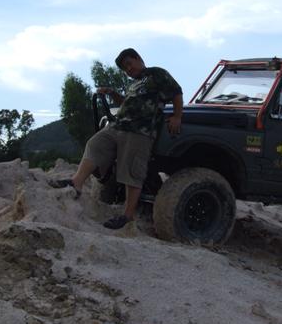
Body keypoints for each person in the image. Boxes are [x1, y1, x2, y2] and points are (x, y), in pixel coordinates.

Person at [51, 48, 183, 230]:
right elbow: (126, 104)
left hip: (140, 130)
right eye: (125, 68)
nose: (128, 69)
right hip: (118, 126)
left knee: (131, 170)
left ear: (138, 58)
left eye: (129, 63)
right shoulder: (133, 85)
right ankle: (76, 183)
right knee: (95, 144)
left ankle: (127, 216)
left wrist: (177, 116)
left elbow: (176, 92)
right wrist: (112, 93)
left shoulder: (156, 74)